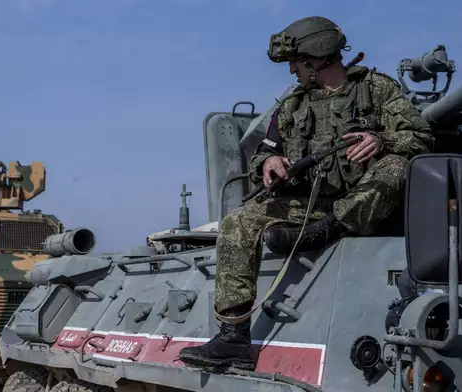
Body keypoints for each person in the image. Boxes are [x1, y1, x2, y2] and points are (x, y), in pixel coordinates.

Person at [178, 16, 435, 370]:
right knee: (238, 222)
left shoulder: (377, 90)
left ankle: (332, 229)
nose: (292, 72)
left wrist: (380, 140)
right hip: (312, 206)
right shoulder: (292, 107)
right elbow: (261, 154)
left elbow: (419, 136)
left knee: (396, 166)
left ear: (316, 57)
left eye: (295, 63)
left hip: (367, 202)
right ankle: (233, 337)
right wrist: (268, 163)